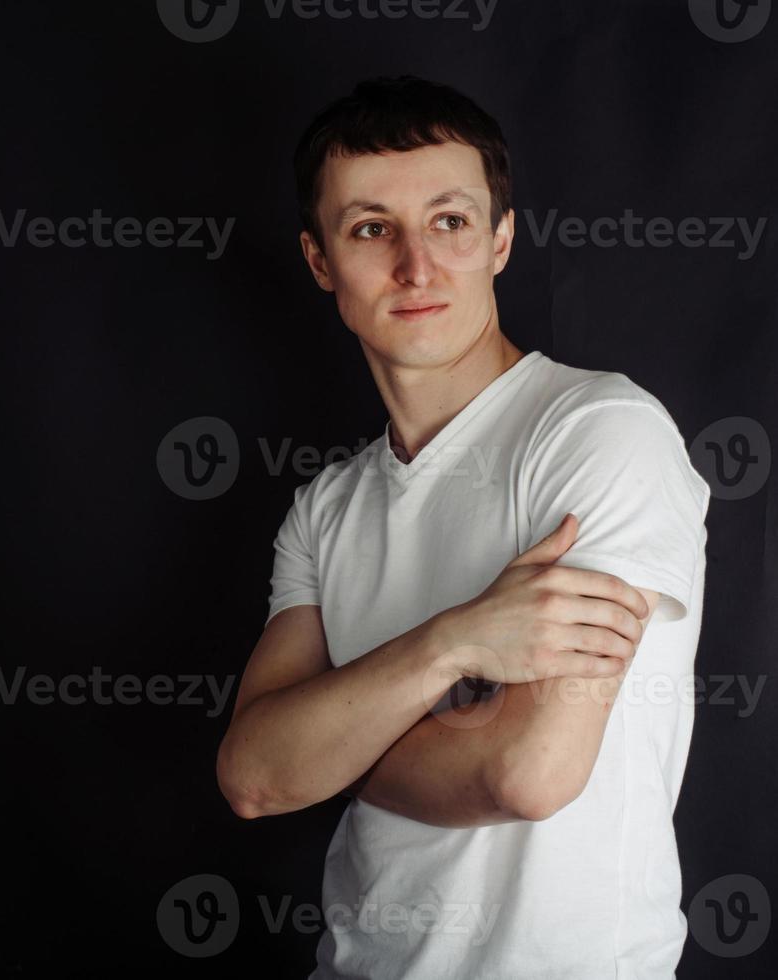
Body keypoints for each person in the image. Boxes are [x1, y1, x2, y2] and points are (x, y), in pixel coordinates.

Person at [216, 75, 711, 979]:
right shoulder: (327, 506)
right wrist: (455, 642)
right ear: (320, 259)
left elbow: (526, 774)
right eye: (371, 229)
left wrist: (333, 744)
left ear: (500, 239)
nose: (415, 265)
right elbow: (252, 775)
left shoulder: (600, 431)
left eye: (449, 221)